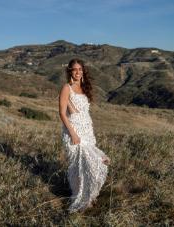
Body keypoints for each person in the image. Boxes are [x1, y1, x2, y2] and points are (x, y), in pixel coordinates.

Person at [58, 58, 111, 213]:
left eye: (80, 69)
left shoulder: (83, 87)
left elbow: (85, 113)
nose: (78, 72)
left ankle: (88, 195)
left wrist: (88, 131)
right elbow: (62, 113)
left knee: (92, 164)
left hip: (87, 130)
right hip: (73, 131)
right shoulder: (66, 88)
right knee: (79, 166)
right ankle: (79, 199)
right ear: (70, 71)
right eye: (74, 69)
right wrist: (73, 134)